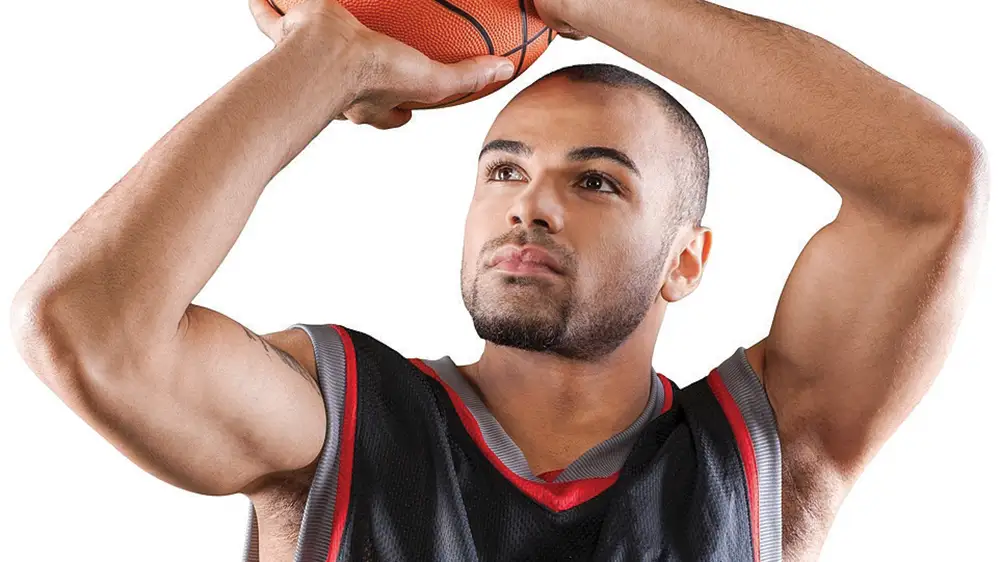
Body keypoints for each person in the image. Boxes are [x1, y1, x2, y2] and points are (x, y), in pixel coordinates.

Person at [10, 0, 987, 561]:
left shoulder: (766, 455)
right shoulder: (333, 425)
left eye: (595, 179)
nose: (530, 205)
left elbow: (932, 181)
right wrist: (328, 55)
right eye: (505, 170)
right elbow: (87, 327)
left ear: (686, 259)